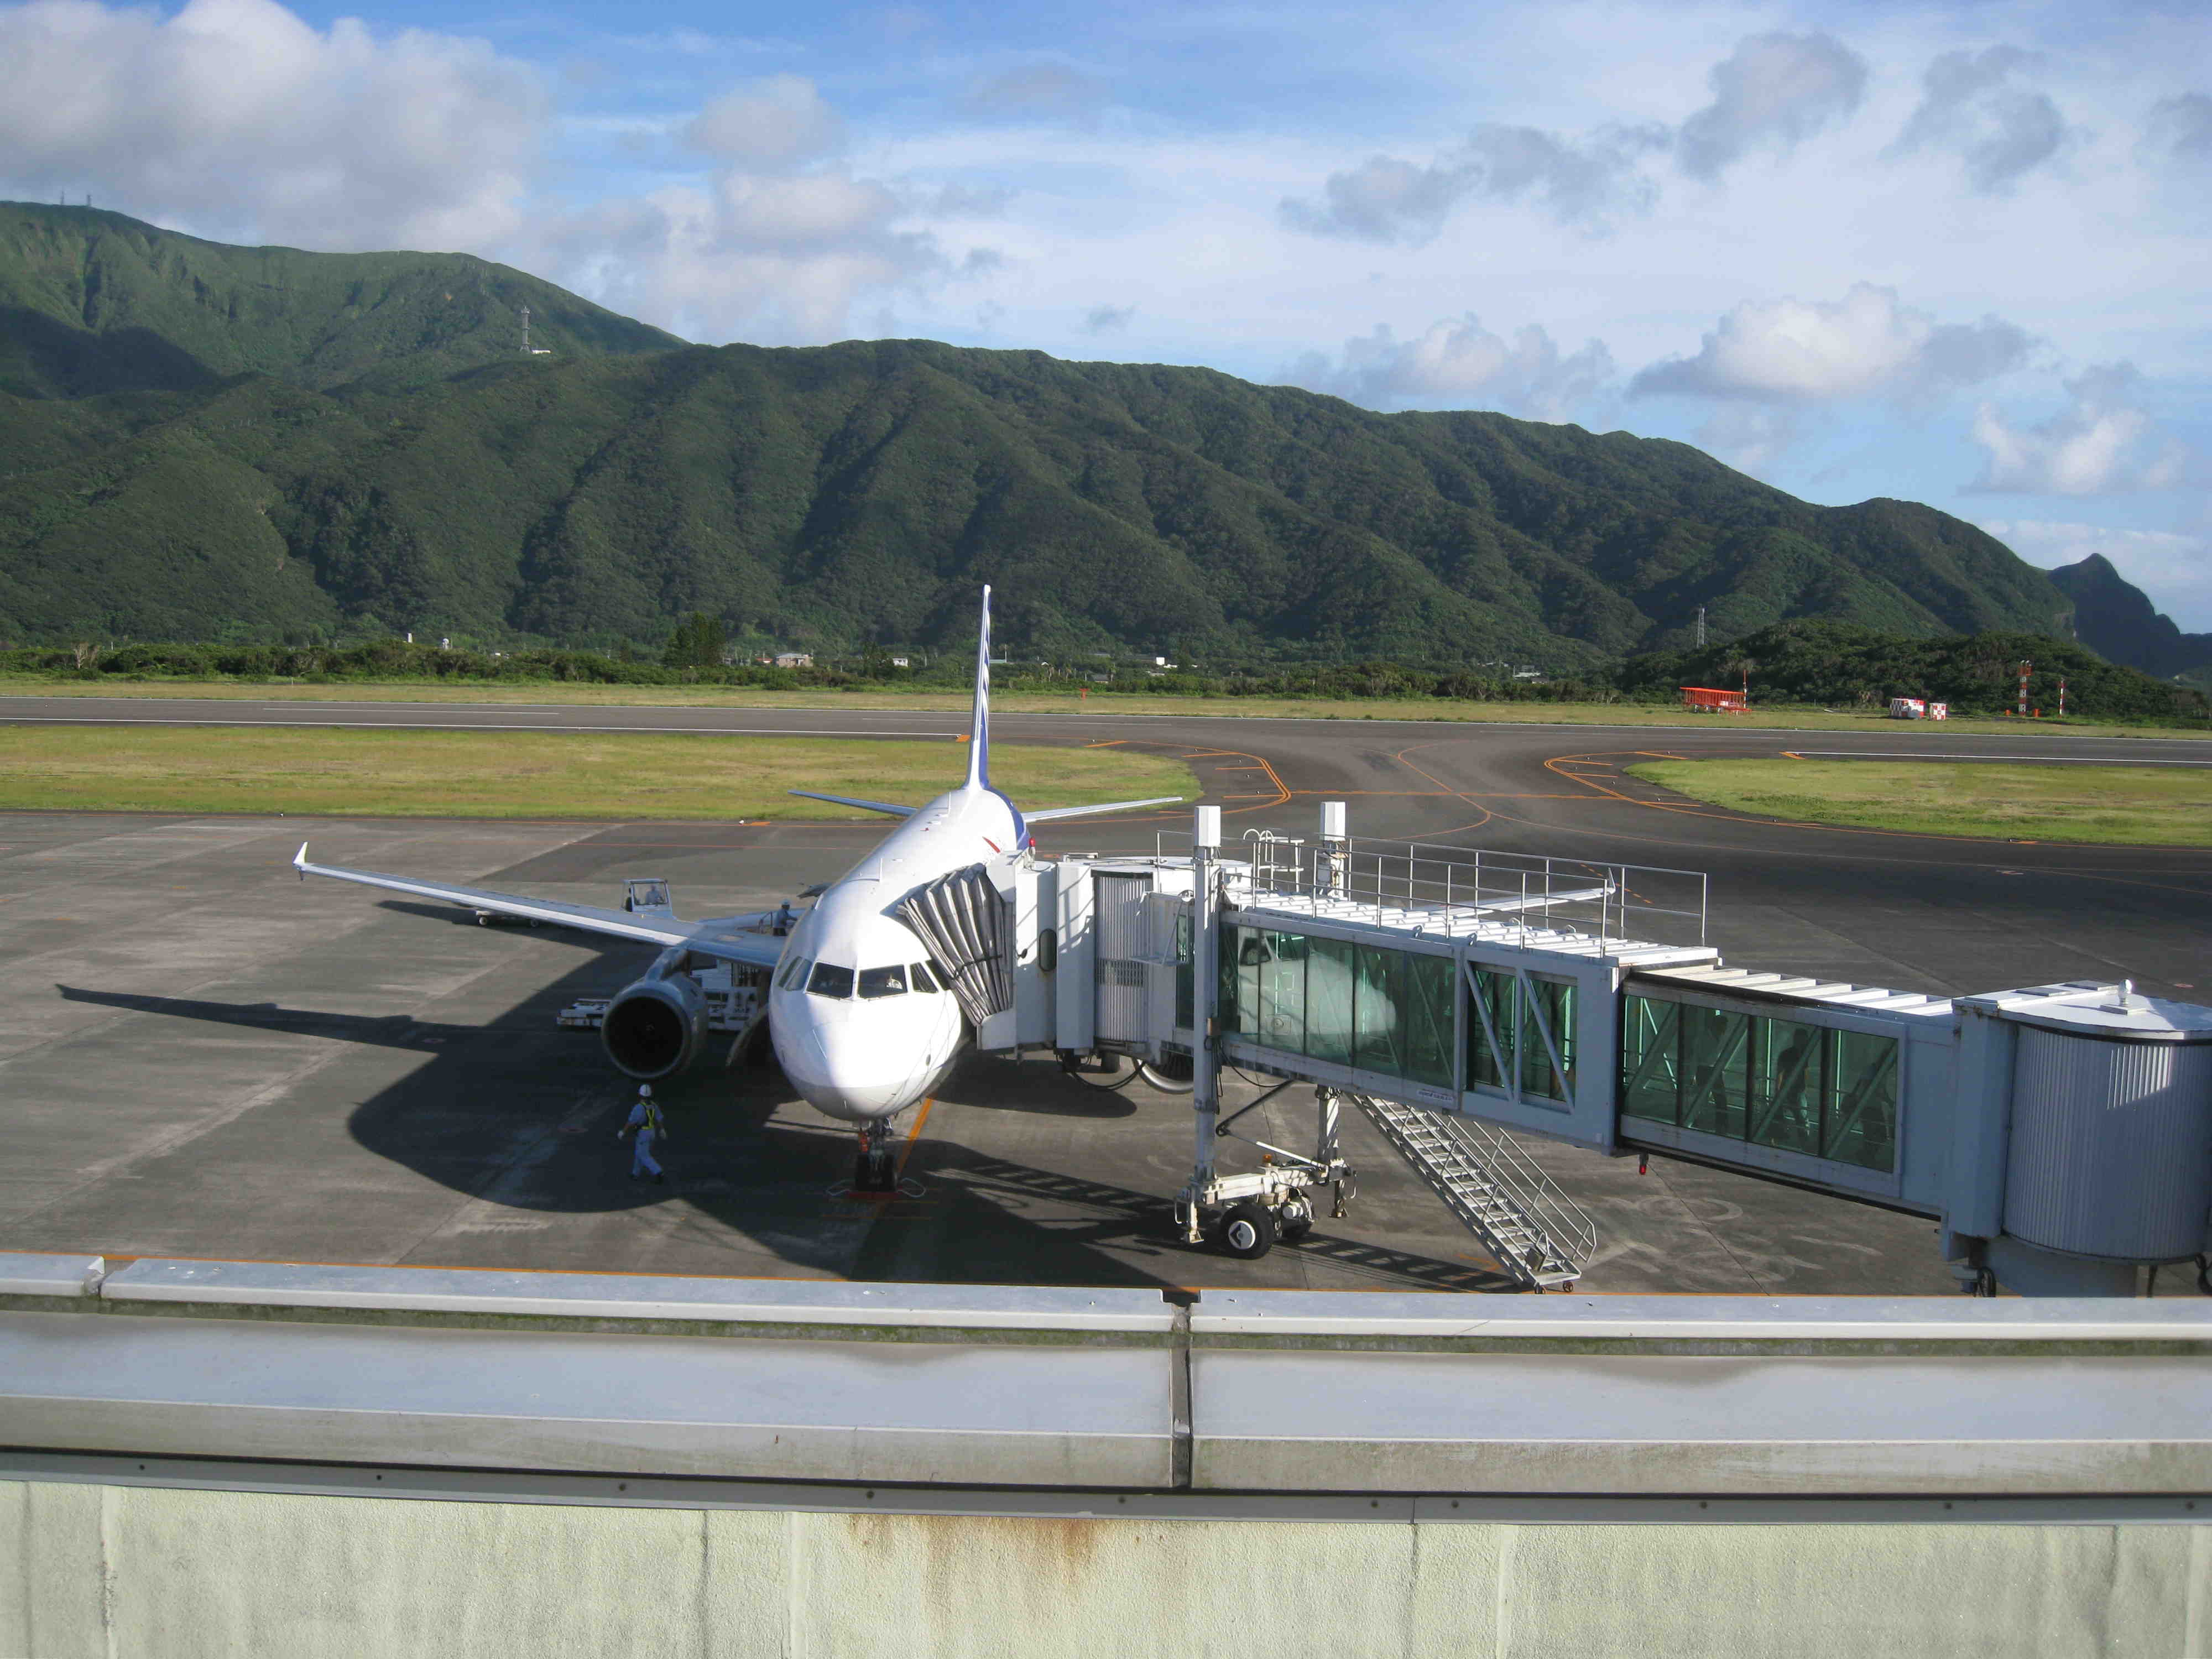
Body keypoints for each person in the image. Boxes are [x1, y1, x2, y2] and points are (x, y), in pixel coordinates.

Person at [617, 1084, 669, 1183]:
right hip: (652, 1132)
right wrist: (662, 1130)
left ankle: (658, 1172)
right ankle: (635, 1174)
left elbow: (631, 1122)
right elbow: (659, 1118)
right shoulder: (654, 1105)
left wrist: (623, 1132)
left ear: (639, 1095)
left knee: (644, 1155)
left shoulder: (638, 1108)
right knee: (639, 1153)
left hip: (643, 1134)